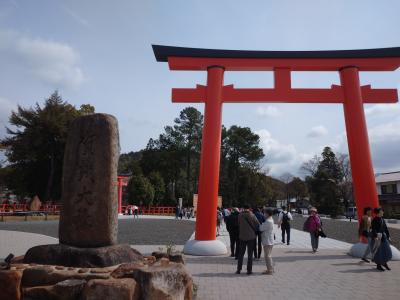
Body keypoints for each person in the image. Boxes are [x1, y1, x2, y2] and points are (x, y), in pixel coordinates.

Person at [236, 204, 260, 275]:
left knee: (241, 254)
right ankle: (249, 270)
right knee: (250, 254)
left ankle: (238, 269)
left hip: (242, 236)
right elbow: (257, 223)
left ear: (243, 208)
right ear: (249, 208)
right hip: (251, 237)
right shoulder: (252, 215)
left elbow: (238, 224)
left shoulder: (239, 215)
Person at [259, 208, 275, 275]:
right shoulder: (270, 219)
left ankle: (270, 270)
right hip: (269, 240)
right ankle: (270, 269)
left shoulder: (268, 221)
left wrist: (260, 224)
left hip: (267, 241)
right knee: (269, 255)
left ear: (268, 213)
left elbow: (260, 228)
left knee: (267, 256)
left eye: (265, 213)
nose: (264, 214)